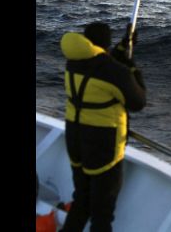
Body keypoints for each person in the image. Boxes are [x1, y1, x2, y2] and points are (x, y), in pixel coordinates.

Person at [59, 22, 146, 232]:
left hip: (76, 139)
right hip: (103, 147)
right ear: (105, 45)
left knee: (82, 199)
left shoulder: (74, 61)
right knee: (102, 214)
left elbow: (102, 64)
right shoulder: (115, 72)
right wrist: (131, 65)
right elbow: (138, 102)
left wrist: (121, 49)